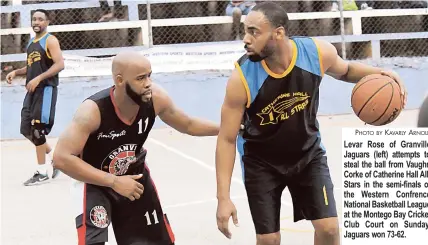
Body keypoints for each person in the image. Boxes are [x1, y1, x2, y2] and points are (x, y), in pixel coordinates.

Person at [215, 2, 407, 245]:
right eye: (245, 30)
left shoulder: (315, 52)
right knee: (268, 240)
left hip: (307, 154)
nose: (246, 39)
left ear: (279, 33)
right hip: (261, 163)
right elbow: (227, 138)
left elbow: (345, 70)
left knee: (329, 229)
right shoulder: (241, 78)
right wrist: (223, 198)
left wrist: (381, 73)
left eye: (254, 31)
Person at [52, 52, 219, 245]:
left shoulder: (156, 98)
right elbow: (61, 158)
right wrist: (113, 182)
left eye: (149, 75)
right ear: (120, 80)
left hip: (134, 178)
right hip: (93, 181)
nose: (148, 83)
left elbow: (188, 124)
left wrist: (225, 129)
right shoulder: (93, 111)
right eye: (141, 78)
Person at [6, 9, 64, 186]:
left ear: (47, 22)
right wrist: (17, 71)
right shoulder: (32, 43)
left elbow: (60, 64)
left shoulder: (50, 40)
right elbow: (31, 66)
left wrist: (39, 78)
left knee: (38, 129)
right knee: (26, 129)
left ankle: (41, 172)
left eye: (40, 19)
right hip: (31, 93)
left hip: (45, 90)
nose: (36, 22)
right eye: (34, 19)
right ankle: (56, 157)